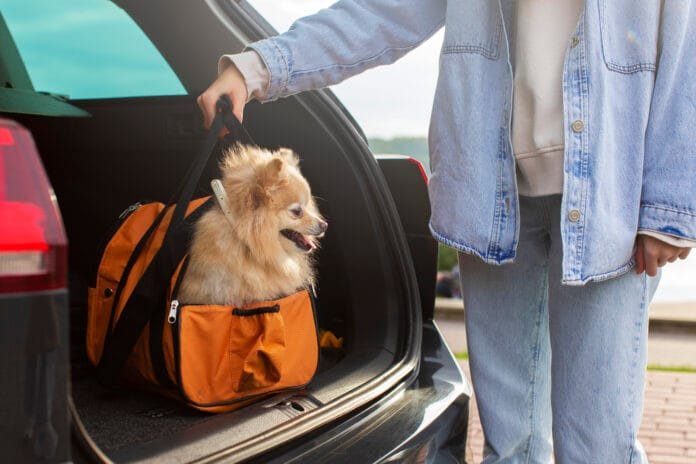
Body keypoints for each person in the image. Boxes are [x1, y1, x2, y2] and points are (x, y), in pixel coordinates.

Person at [198, 1, 696, 462]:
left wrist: (669, 207)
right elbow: (382, 12)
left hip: (610, 201)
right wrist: (256, 67)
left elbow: (684, 45)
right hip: (492, 199)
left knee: (598, 447)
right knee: (510, 447)